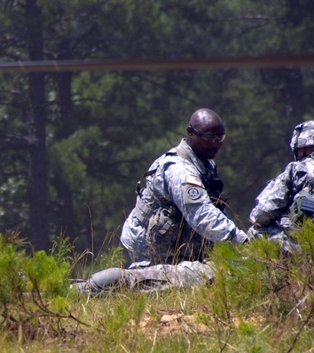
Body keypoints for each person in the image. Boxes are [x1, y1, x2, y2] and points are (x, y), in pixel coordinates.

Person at [76, 108, 248, 294]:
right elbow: (201, 214)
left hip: (175, 245)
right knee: (147, 286)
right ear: (190, 133)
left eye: (219, 138)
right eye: (209, 138)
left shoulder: (206, 164)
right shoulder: (179, 170)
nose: (215, 144)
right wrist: (241, 241)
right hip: (149, 246)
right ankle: (81, 291)